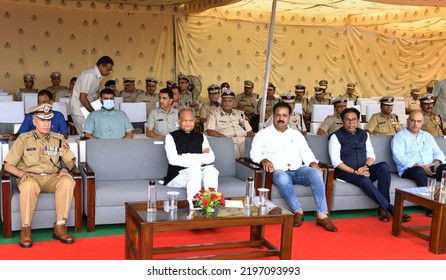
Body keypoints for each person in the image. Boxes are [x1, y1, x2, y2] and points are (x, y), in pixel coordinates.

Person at [250, 102, 337, 232]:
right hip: (279, 171)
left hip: (298, 170)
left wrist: (313, 163)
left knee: (316, 174)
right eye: (278, 115)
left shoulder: (296, 134)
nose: (281, 118)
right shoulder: (262, 134)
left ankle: (322, 215)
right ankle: (298, 212)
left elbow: (306, 152)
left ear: (289, 117)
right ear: (273, 116)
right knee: (282, 178)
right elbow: (254, 154)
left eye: (284, 115)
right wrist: (264, 159)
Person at [3, 103, 77, 248]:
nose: (46, 124)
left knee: (68, 181)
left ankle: (60, 227)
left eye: (49, 120)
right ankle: (25, 229)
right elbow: (8, 165)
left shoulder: (59, 138)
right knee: (29, 184)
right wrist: (22, 173)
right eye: (43, 120)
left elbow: (70, 160)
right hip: (31, 178)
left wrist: (66, 169)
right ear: (34, 121)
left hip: (51, 178)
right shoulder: (23, 139)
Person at [328, 107, 411, 223]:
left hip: (363, 169)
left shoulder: (364, 134)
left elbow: (371, 155)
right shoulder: (335, 137)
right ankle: (392, 209)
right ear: (342, 122)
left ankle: (383, 208)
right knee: (364, 181)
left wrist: (365, 167)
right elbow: (336, 161)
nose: (351, 123)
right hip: (346, 172)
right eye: (347, 120)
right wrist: (355, 172)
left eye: (354, 120)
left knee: (384, 167)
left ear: (358, 121)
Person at [391, 110, 446, 217]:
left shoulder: (427, 136)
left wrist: (435, 163)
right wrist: (420, 166)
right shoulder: (400, 137)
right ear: (407, 121)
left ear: (422, 123)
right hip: (411, 169)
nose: (415, 124)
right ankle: (432, 206)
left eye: (418, 121)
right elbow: (399, 157)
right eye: (413, 121)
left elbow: (438, 152)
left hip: (432, 167)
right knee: (419, 172)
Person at [163, 108, 219, 208]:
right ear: (178, 121)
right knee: (195, 171)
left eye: (191, 120)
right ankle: (194, 206)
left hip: (197, 175)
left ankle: (210, 203)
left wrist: (184, 156)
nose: (188, 123)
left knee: (211, 170)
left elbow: (211, 158)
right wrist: (200, 160)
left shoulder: (201, 137)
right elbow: (173, 160)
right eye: (185, 120)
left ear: (194, 121)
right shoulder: (171, 137)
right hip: (177, 175)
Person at [69, 55, 114, 136]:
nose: (109, 72)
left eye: (110, 70)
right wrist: (94, 113)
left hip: (86, 110)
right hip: (80, 111)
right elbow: (82, 98)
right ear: (101, 66)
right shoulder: (90, 75)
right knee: (86, 137)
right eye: (108, 69)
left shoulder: (97, 76)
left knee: (91, 136)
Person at [1, 90, 68, 141]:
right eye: (39, 102)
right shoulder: (30, 116)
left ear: (51, 102)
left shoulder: (59, 116)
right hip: (33, 146)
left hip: (52, 146)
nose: (41, 104)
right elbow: (21, 134)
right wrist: (13, 136)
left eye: (44, 102)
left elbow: (65, 135)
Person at [207, 90, 255, 159]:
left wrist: (253, 142)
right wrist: (225, 139)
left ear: (234, 103)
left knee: (253, 153)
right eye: (225, 101)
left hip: (243, 141)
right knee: (234, 150)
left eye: (230, 101)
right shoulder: (214, 114)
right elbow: (210, 131)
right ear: (221, 102)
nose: (227, 103)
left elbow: (249, 131)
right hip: (227, 142)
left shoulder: (240, 114)